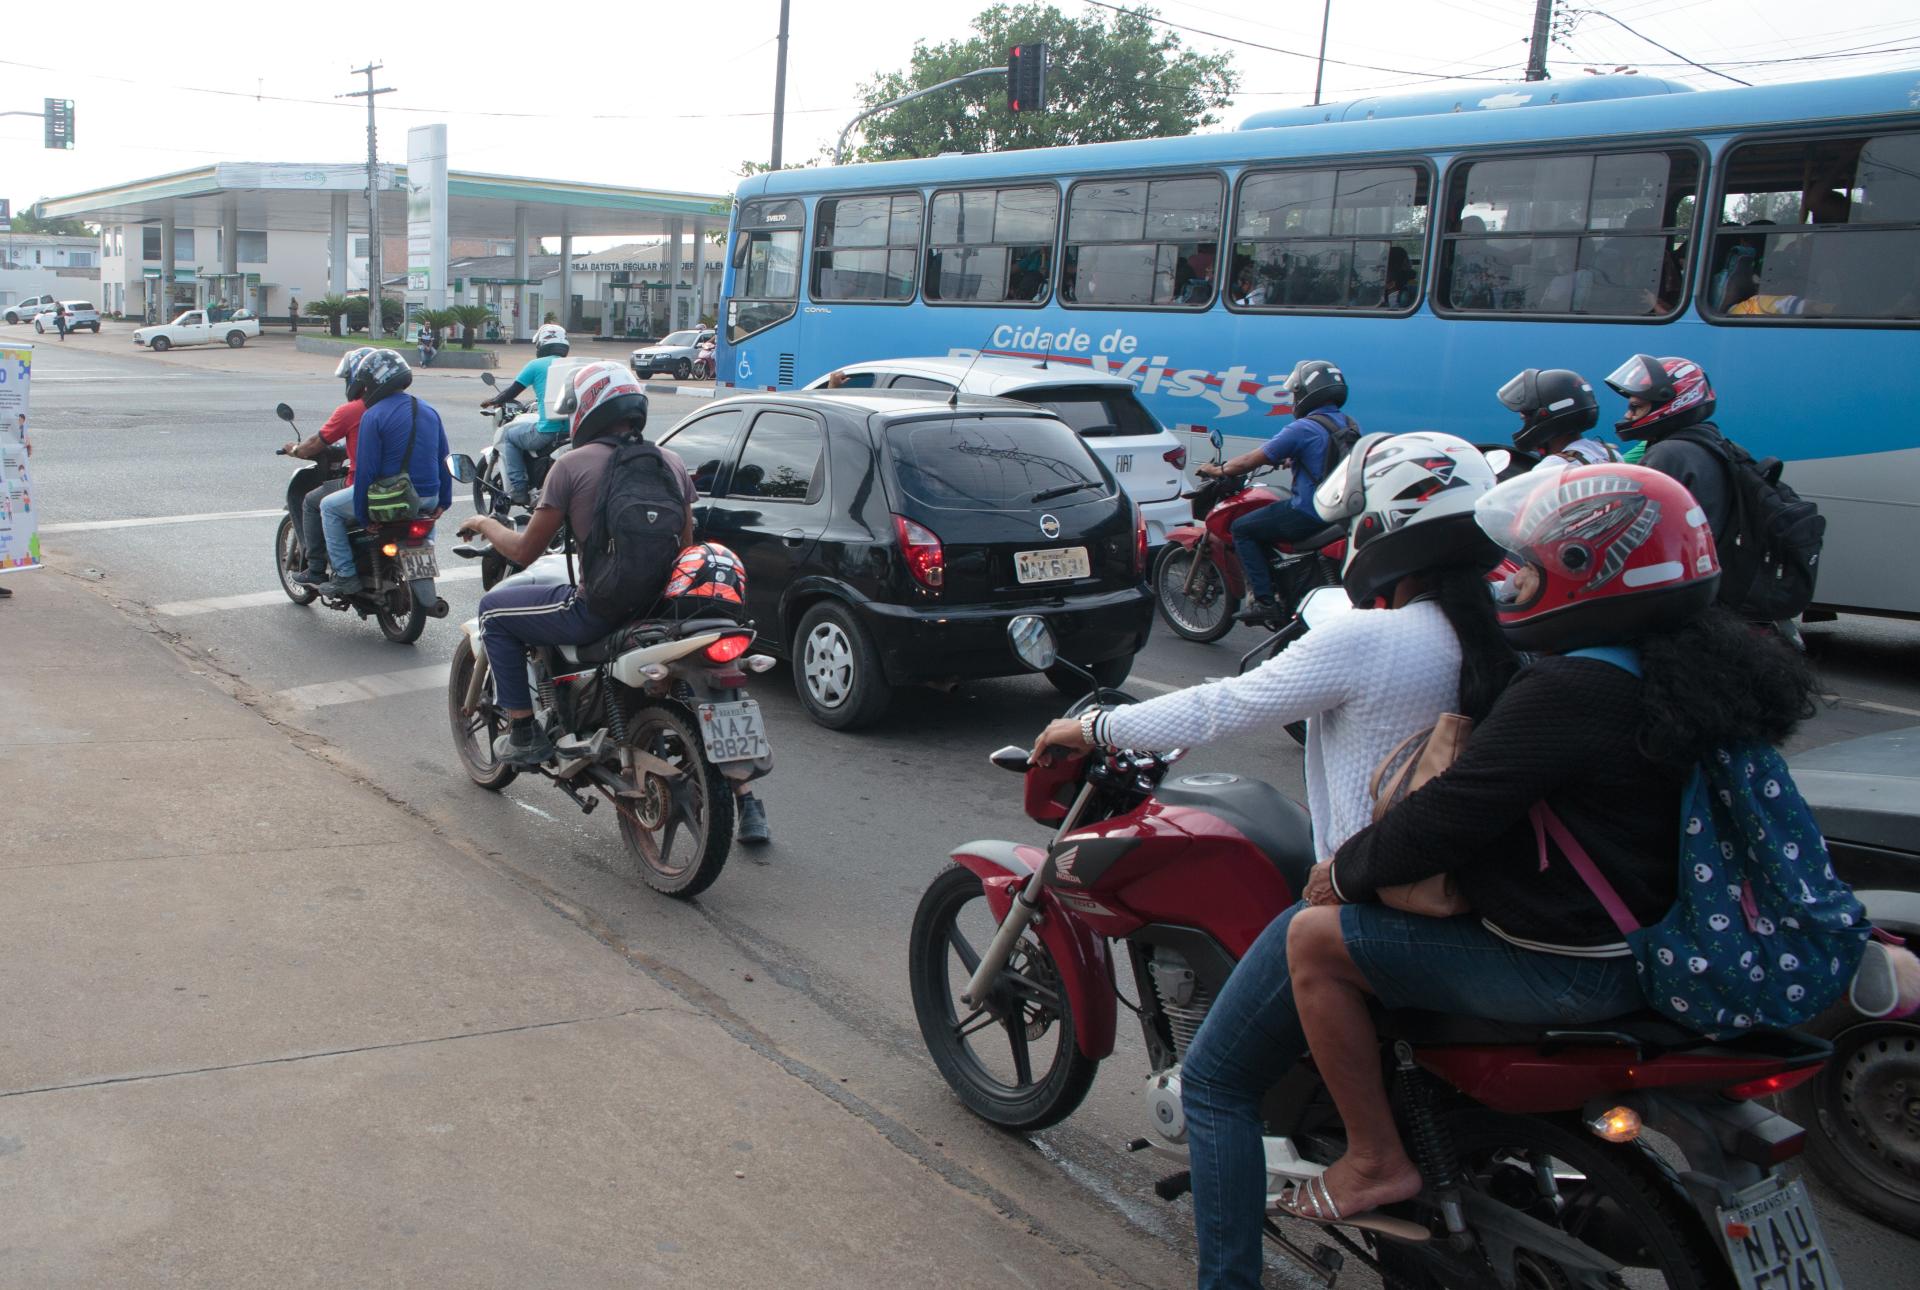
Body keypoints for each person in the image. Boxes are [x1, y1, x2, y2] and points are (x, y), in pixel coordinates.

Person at [1264, 465, 1826, 1262]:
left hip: (1579, 966)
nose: (1511, 581)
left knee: (1315, 941)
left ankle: (1373, 1159)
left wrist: (1344, 872)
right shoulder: (1694, 660)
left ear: (1588, 572)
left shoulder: (1574, 685)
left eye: (1527, 566)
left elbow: (1451, 813)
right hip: (1671, 939)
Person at [1029, 433, 1514, 1285]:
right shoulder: (1500, 632)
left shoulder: (1375, 644)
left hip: (1364, 903)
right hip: (1480, 906)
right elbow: (1342, 632)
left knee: (1216, 1088)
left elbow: (1222, 707)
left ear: (1382, 529)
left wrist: (1091, 725)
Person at [455, 363, 773, 844]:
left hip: (600, 610)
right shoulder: (669, 463)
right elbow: (685, 545)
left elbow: (523, 552)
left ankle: (523, 731)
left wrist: (482, 523)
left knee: (496, 614)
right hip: (666, 611)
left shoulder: (571, 466)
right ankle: (748, 802)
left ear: (587, 408)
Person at [1194, 359, 1355, 626]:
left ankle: (1264, 601)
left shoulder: (1303, 427)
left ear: (1306, 394)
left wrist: (1218, 470)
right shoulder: (1346, 423)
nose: (1294, 399)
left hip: (1309, 511)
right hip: (1337, 508)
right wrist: (1294, 459)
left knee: (1243, 528)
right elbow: (1330, 459)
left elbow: (1249, 461)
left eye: (1295, 393)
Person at [316, 350, 450, 597]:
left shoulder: (373, 415)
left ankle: (345, 576)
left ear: (374, 383)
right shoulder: (429, 410)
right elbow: (443, 459)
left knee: (328, 507)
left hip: (391, 499)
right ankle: (422, 567)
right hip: (429, 498)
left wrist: (364, 517)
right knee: (424, 523)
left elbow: (366, 472)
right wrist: (444, 500)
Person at [1602, 355, 1734, 548]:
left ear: (1670, 404)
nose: (1627, 415)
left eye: (1636, 407)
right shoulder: (1709, 442)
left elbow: (1630, 528)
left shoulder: (1668, 455)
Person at [286, 346, 377, 588]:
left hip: (363, 484)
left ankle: (317, 569)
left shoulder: (352, 410)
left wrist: (295, 450)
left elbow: (315, 443)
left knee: (312, 502)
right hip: (404, 484)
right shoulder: (398, 408)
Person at [481, 322, 572, 506]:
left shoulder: (535, 365)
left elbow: (511, 393)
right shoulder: (573, 365)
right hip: (573, 432)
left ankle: (519, 489)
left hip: (548, 432)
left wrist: (493, 400)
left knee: (508, 435)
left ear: (540, 345)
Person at [1495, 367, 1621, 467]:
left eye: (1525, 418)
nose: (1523, 419)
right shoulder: (1610, 455)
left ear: (1544, 417)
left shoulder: (1554, 467)